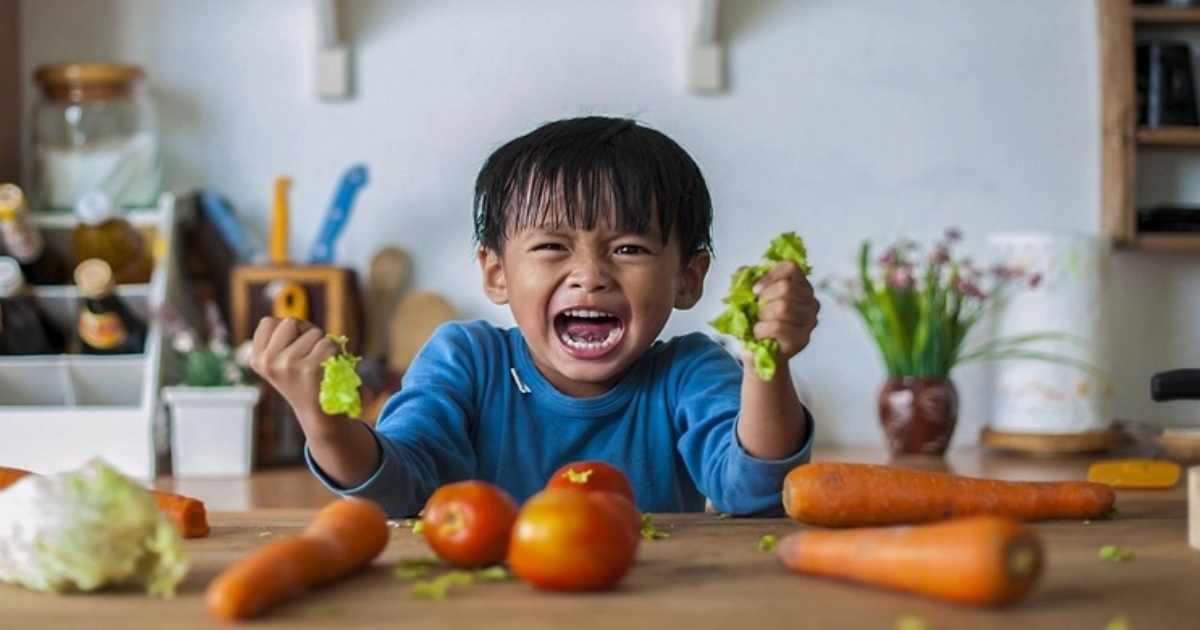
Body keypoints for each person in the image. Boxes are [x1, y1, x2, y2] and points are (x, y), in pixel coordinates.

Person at [249, 115, 820, 518]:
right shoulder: (465, 362)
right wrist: (324, 421)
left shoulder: (691, 372)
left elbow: (757, 496)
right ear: (496, 273)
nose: (590, 274)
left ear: (688, 279)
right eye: (552, 247)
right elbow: (397, 490)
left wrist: (766, 360)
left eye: (630, 249)